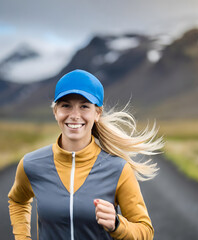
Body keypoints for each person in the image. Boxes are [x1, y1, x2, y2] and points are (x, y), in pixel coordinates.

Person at [8, 69, 163, 240]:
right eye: (65, 105)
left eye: (84, 106)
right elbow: (17, 201)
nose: (74, 115)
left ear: (97, 113)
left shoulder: (118, 169)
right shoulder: (31, 164)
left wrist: (117, 224)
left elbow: (145, 232)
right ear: (55, 111)